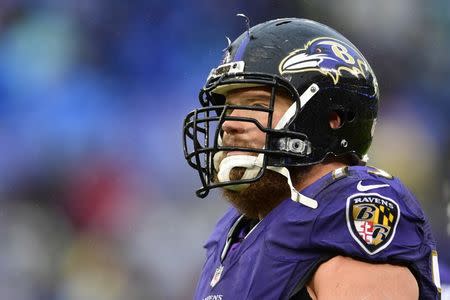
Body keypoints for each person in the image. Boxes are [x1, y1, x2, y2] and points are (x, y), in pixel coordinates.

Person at [182, 17, 441, 299]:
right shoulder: (236, 229)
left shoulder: (349, 210)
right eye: (229, 108)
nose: (229, 124)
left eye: (256, 105)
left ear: (331, 117)